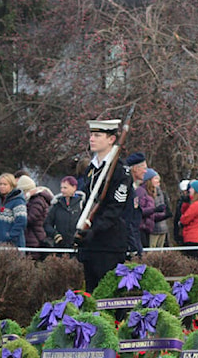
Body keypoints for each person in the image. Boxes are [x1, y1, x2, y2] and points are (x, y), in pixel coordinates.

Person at [77, 119, 132, 292]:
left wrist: (95, 229)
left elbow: (115, 208)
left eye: (97, 135)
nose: (92, 139)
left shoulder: (120, 171)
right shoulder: (91, 169)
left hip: (109, 244)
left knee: (109, 297)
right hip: (90, 243)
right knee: (91, 294)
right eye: (91, 135)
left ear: (111, 139)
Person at [44, 176, 85, 250]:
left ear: (74, 188)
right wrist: (55, 235)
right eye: (61, 188)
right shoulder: (57, 204)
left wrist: (80, 237)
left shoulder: (82, 204)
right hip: (59, 247)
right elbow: (47, 224)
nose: (62, 190)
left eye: (65, 188)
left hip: (77, 247)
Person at [17, 175, 54, 255]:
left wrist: (18, 218)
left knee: (32, 260)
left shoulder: (37, 201)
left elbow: (31, 218)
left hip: (34, 237)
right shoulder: (35, 200)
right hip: (33, 235)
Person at [0, 173, 27, 247]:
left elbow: (21, 221)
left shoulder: (18, 201)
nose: (2, 186)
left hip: (13, 245)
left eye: (5, 184)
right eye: (0, 184)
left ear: (12, 185)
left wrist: (10, 236)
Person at [123, 152, 147, 257]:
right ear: (135, 168)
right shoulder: (127, 189)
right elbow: (128, 220)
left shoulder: (131, 188)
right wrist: (133, 247)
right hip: (128, 242)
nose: (145, 171)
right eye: (143, 168)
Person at [179, 179, 198, 258]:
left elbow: (184, 219)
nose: (189, 190)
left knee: (192, 261)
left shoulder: (196, 205)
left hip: (192, 237)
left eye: (192, 188)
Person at [147, 170, 171, 249]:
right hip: (153, 227)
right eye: (155, 179)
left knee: (159, 251)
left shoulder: (161, 193)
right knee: (151, 250)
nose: (158, 181)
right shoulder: (147, 193)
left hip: (162, 226)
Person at [135, 167, 157, 248]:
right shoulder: (140, 191)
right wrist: (154, 210)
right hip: (141, 228)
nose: (157, 181)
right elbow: (139, 210)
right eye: (155, 178)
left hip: (147, 228)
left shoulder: (149, 192)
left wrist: (163, 214)